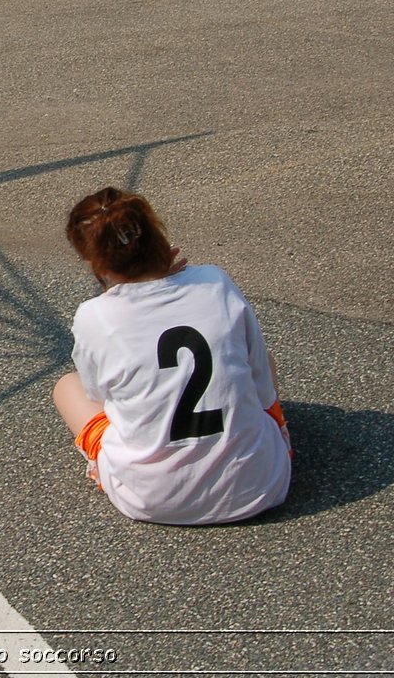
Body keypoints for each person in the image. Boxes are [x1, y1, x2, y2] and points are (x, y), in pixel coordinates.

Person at [52, 187, 292, 525]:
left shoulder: (95, 316)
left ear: (93, 261)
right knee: (261, 359)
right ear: (156, 235)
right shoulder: (214, 282)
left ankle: (119, 467)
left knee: (67, 386)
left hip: (150, 499)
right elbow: (263, 389)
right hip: (259, 486)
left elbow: (100, 396)